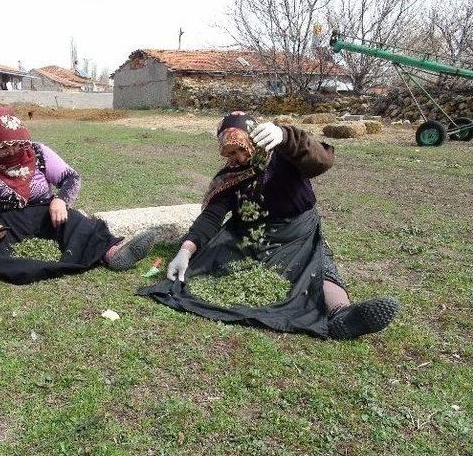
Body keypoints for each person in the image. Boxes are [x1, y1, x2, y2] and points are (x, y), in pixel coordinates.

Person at [139, 111, 398, 340]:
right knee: (216, 267)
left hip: (297, 233)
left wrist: (286, 136)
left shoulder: (285, 156)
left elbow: (322, 161)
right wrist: (186, 249)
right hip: (250, 237)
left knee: (316, 266)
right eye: (230, 152)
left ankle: (342, 314)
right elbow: (211, 216)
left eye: (242, 147)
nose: (238, 157)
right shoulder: (230, 177)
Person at [0, 107, 154, 290]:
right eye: (2, 148)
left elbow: (71, 177)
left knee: (79, 223)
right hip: (4, 223)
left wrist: (61, 200)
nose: (11, 152)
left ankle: (112, 253)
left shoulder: (38, 152)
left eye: (16, 144)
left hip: (45, 214)